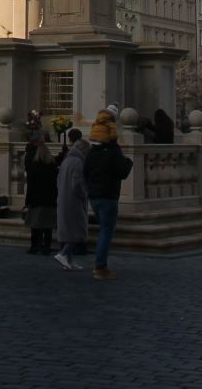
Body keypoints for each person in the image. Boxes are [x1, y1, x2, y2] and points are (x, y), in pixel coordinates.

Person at [82, 108, 132, 281]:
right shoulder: (113, 151)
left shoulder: (91, 152)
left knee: (104, 229)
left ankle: (100, 264)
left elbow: (85, 172)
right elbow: (122, 172)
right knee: (106, 231)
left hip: (94, 196)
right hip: (108, 196)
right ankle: (100, 266)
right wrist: (128, 162)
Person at [53, 128, 88, 271]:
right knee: (76, 230)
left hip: (63, 197)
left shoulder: (67, 160)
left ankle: (69, 261)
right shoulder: (78, 162)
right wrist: (83, 195)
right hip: (73, 200)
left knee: (68, 230)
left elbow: (58, 179)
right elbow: (77, 184)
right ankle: (63, 254)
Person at [22, 130, 58, 255]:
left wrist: (28, 200)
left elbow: (31, 183)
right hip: (49, 198)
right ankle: (46, 247)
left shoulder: (34, 165)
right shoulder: (52, 164)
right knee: (47, 226)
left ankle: (34, 246)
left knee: (35, 224)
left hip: (36, 198)